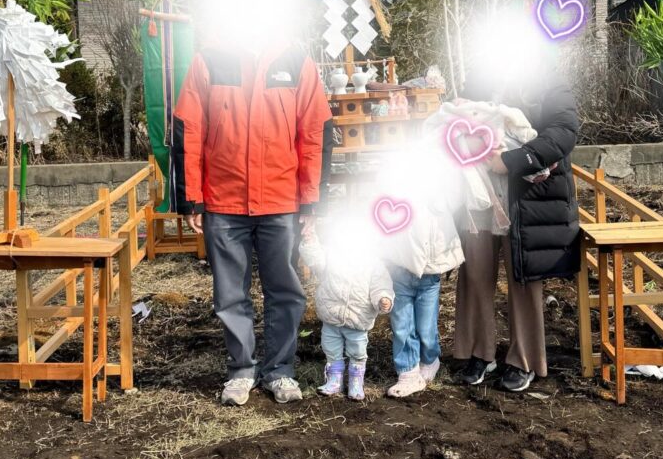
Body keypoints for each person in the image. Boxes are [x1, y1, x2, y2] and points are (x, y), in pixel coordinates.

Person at [172, 29, 332, 407]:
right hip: (224, 202)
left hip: (282, 202)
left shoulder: (295, 61)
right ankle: (241, 370)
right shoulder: (208, 59)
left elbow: (314, 132)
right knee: (230, 294)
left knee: (286, 291)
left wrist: (311, 202)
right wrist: (192, 198)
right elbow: (188, 129)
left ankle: (280, 370)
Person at [452, 55, 580, 394]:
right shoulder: (481, 74)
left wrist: (508, 161)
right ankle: (481, 351)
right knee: (475, 271)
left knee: (522, 277)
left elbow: (563, 132)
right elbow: (460, 114)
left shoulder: (548, 78)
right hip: (478, 193)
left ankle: (522, 357)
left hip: (527, 197)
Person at [377, 154, 467, 398]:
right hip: (400, 269)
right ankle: (407, 370)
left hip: (428, 273)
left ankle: (430, 359)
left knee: (426, 326)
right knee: (402, 325)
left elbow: (457, 197)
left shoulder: (440, 196)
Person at [299, 219, 394, 400]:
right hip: (331, 315)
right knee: (331, 348)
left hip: (358, 318)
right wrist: (310, 241)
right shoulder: (332, 256)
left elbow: (380, 285)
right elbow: (315, 259)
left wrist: (383, 298)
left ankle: (356, 380)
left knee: (358, 350)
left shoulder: (374, 265)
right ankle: (335, 379)